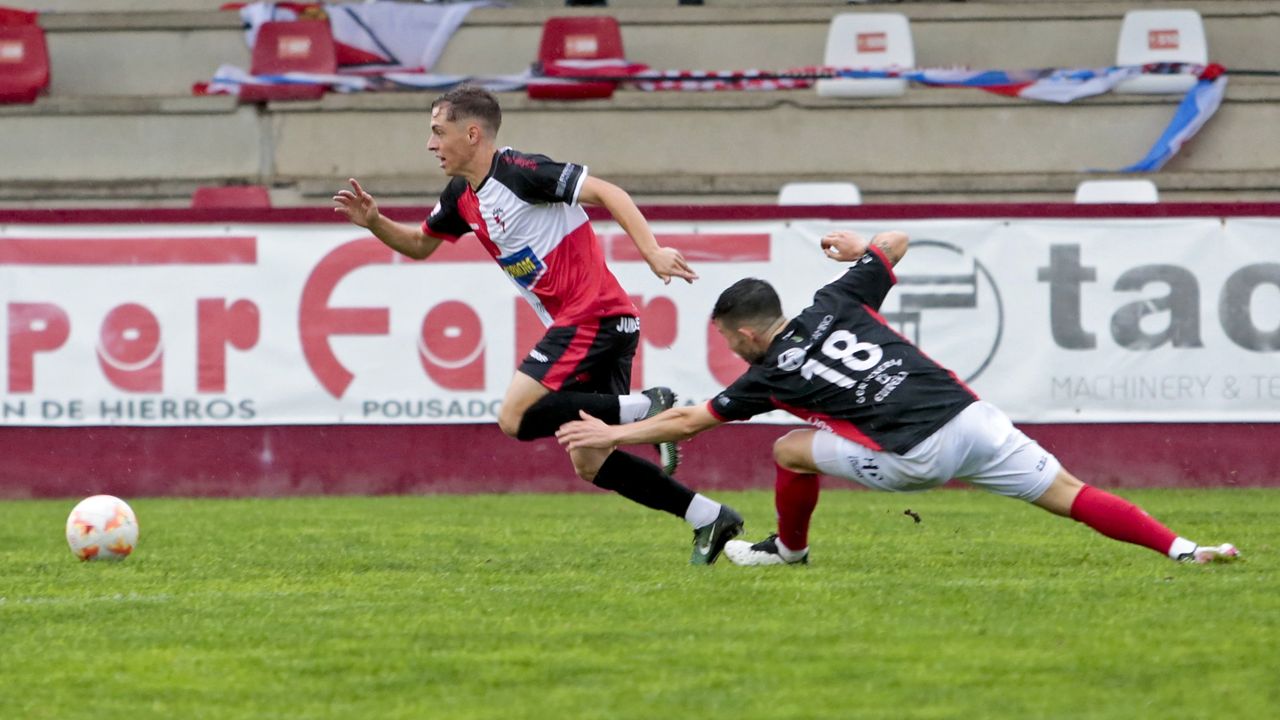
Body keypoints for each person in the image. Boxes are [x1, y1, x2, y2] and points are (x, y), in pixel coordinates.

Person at [557, 229, 1241, 567]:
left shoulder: (769, 373)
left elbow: (689, 421)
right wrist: (858, 246)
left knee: (789, 449)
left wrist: (608, 437)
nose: (730, 351)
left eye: (727, 341)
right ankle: (1183, 549)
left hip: (916, 455)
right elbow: (894, 241)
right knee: (1070, 492)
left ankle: (788, 552)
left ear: (742, 334)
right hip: (972, 418)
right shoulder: (840, 296)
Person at [332, 85, 742, 564]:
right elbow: (422, 245)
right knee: (591, 459)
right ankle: (709, 517)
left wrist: (651, 252)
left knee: (514, 416)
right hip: (604, 323)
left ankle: (645, 408)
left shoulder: (522, 172)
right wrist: (375, 221)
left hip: (594, 315)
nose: (431, 144)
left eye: (437, 132)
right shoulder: (462, 195)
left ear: (471, 133)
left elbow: (608, 192)